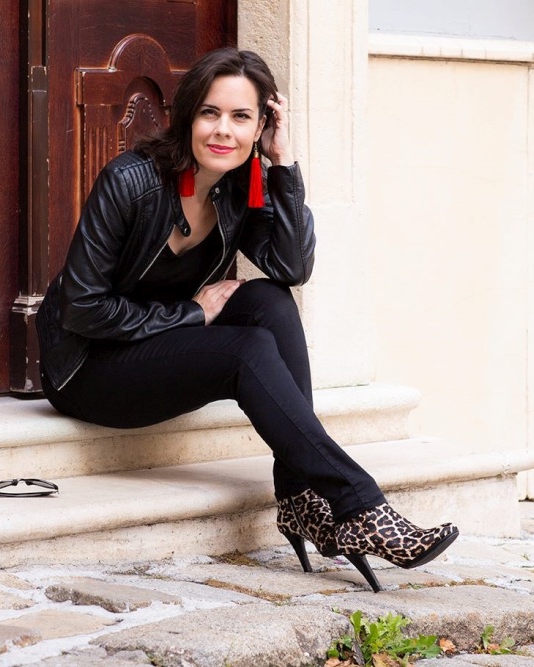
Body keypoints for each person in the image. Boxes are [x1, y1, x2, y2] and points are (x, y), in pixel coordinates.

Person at [36, 47, 458, 592]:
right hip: (88, 369)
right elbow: (82, 308)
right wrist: (191, 312)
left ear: (262, 125)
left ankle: (300, 499)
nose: (223, 132)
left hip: (156, 352)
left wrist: (282, 165)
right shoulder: (130, 182)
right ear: (188, 115)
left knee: (270, 303)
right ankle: (358, 504)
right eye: (211, 113)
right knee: (245, 349)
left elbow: (291, 267)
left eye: (242, 117)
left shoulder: (241, 188)